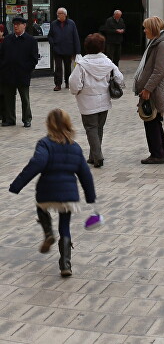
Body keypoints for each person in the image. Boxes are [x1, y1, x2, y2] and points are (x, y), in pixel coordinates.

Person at [9, 108, 95, 277]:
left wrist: (17, 185)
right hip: (68, 195)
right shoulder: (75, 147)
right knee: (65, 225)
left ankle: (48, 232)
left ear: (48, 125)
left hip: (46, 191)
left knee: (41, 206)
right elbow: (85, 173)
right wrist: (90, 196)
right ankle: (65, 264)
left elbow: (37, 163)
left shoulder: (45, 144)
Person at [67, 32, 124, 168]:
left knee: (91, 128)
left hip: (87, 102)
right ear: (102, 47)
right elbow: (120, 79)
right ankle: (93, 156)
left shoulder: (81, 65)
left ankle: (97, 157)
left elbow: (74, 84)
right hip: (104, 101)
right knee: (99, 128)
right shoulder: (108, 62)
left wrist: (77, 91)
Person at [134, 17, 164, 165]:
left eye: (146, 28)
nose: (144, 31)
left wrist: (147, 88)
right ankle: (163, 152)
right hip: (156, 88)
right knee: (154, 120)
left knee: (151, 120)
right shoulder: (158, 42)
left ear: (153, 28)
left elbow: (159, 70)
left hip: (158, 88)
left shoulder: (163, 44)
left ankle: (157, 154)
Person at [0, 17, 39, 127]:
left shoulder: (31, 40)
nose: (16, 26)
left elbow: (34, 59)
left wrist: (26, 69)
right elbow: (1, 55)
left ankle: (27, 119)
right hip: (8, 74)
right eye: (14, 24)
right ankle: (10, 119)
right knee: (8, 98)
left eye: (18, 24)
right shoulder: (7, 39)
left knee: (25, 99)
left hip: (23, 74)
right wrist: (3, 68)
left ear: (24, 25)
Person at [47, 8, 80, 92]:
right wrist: (52, 44)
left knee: (68, 67)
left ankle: (68, 82)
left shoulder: (71, 23)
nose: (58, 15)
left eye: (60, 13)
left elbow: (75, 37)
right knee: (58, 67)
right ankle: (58, 84)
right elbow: (50, 35)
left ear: (65, 14)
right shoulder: (54, 24)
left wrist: (77, 51)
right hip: (57, 49)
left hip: (68, 49)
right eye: (57, 13)